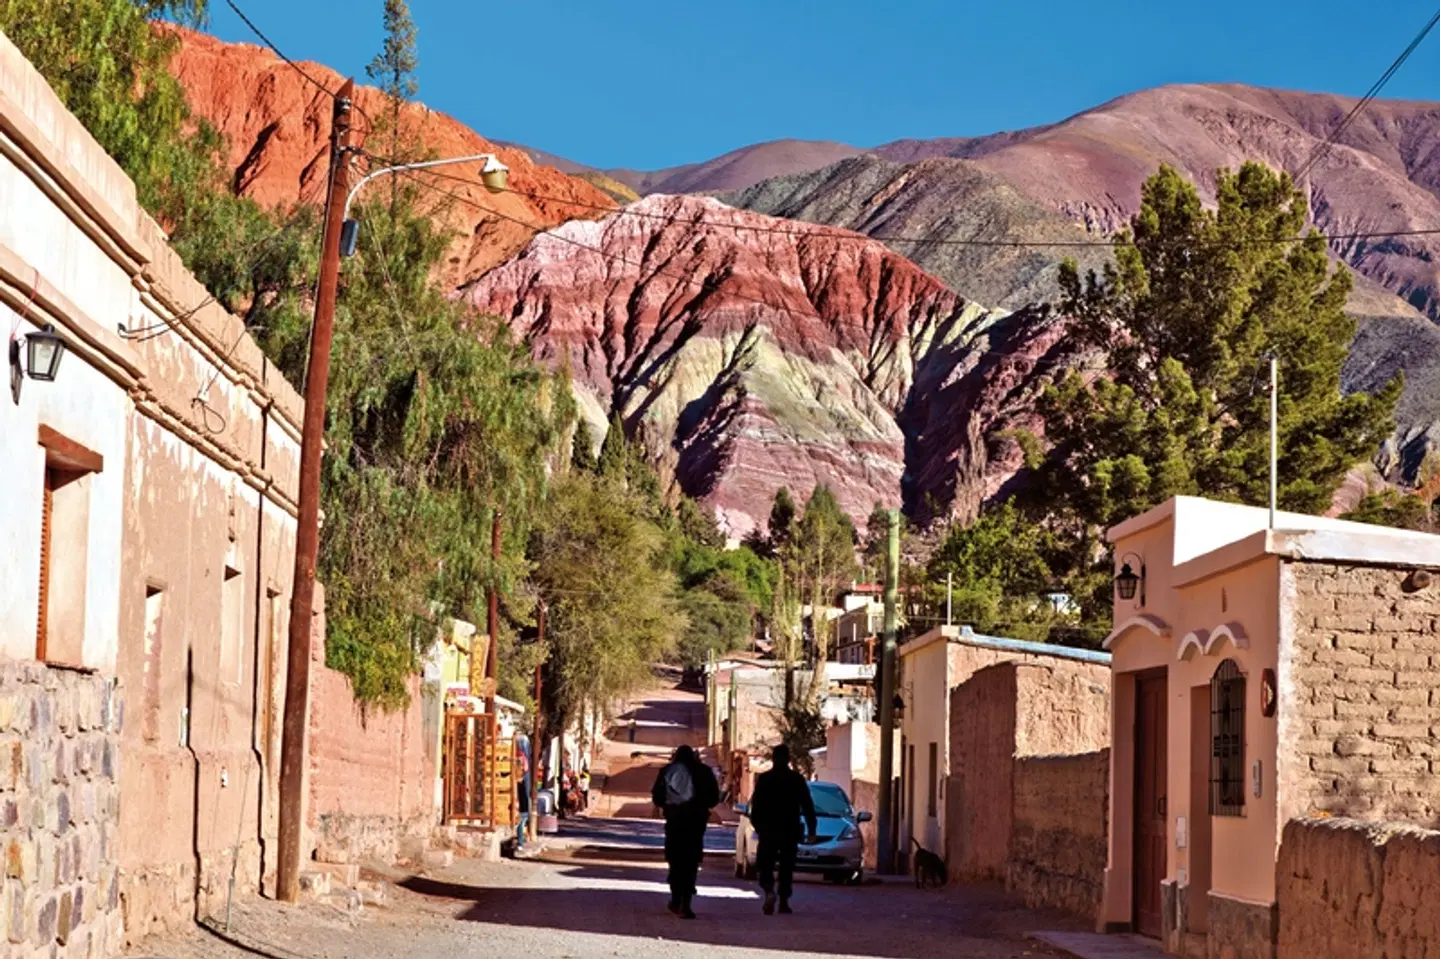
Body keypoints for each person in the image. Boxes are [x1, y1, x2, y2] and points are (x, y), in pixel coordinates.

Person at [651, 744, 719, 919]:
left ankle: (675, 898)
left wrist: (671, 803)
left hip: (674, 823)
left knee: (675, 860)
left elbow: (657, 797)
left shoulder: (668, 771)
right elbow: (713, 799)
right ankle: (685, 903)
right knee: (691, 861)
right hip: (696, 824)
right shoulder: (704, 772)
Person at [747, 743, 817, 915]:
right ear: (788, 759)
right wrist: (812, 829)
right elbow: (807, 805)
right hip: (789, 830)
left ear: (773, 759)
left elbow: (756, 807)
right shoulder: (796, 779)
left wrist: (760, 827)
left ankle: (769, 890)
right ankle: (784, 901)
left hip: (769, 830)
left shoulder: (765, 779)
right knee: (786, 867)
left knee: (766, 865)